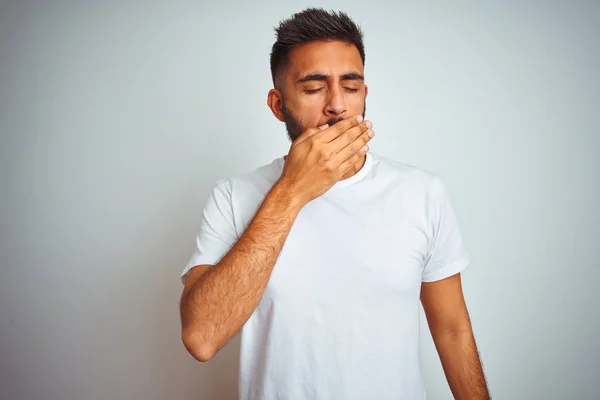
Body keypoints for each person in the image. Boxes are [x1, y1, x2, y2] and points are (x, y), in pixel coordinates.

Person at [179, 8, 490, 400]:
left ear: (365, 93)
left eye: (351, 86)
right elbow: (201, 337)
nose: (337, 106)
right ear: (278, 105)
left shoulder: (421, 192)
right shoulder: (233, 197)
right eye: (313, 88)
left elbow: (452, 328)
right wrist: (292, 190)